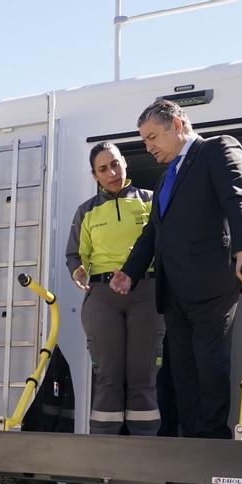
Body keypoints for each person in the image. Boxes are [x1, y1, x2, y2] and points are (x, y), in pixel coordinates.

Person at [110, 99, 242, 439]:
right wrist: (130, 271)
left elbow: (238, 199)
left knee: (210, 365)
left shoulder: (217, 149)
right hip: (174, 290)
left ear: (177, 126)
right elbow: (154, 232)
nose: (147, 147)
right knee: (182, 371)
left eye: (152, 137)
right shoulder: (166, 177)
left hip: (211, 282)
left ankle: (211, 440)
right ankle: (191, 441)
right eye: (145, 140)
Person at [65, 142, 163, 435]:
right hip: (102, 298)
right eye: (103, 169)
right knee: (108, 375)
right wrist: (77, 269)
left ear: (125, 163)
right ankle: (104, 451)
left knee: (143, 375)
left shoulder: (150, 200)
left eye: (116, 164)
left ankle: (144, 448)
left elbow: (167, 242)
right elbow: (74, 255)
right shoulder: (86, 211)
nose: (112, 172)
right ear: (94, 175)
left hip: (146, 293)